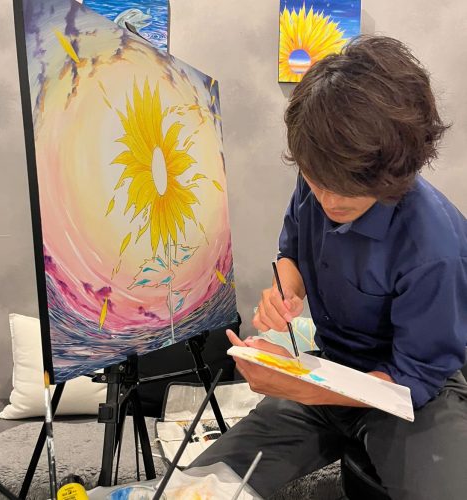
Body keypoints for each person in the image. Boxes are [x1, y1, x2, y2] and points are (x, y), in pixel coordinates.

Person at [190, 35, 467, 499]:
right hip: (331, 370)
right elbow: (291, 254)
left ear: (396, 171)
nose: (328, 199)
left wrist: (299, 384)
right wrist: (285, 290)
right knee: (200, 486)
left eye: (346, 189)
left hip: (411, 397)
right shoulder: (319, 174)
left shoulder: (436, 248)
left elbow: (411, 381)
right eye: (316, 181)